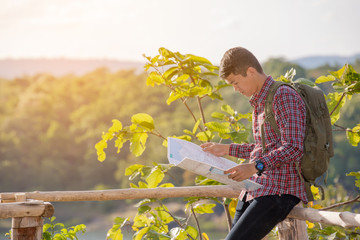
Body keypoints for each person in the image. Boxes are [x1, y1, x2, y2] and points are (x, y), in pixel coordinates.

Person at [201, 47, 308, 240]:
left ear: (250, 71)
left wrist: (255, 166)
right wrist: (226, 149)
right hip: (256, 188)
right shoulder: (260, 102)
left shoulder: (283, 96)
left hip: (279, 191)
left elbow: (293, 147)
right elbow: (265, 148)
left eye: (235, 82)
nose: (235, 88)